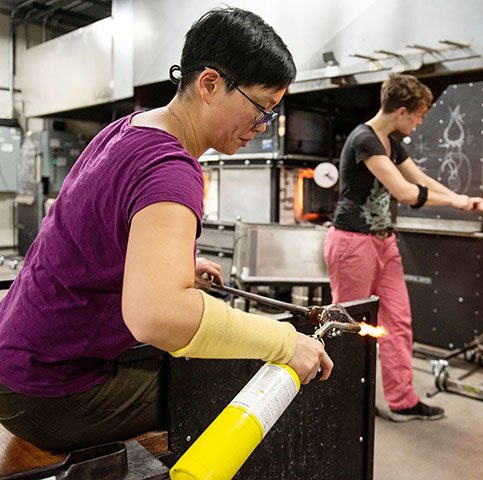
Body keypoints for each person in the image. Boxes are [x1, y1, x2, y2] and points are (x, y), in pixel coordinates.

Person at [0, 7, 333, 451]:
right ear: (210, 84)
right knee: (245, 377)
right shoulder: (170, 168)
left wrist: (172, 266)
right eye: (261, 108)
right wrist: (284, 341)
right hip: (53, 393)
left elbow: (94, 235)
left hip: (16, 363)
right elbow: (159, 315)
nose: (261, 126)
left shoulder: (127, 129)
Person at [324, 74, 483, 421]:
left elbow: (420, 179)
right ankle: (343, 399)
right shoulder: (364, 139)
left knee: (398, 321)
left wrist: (462, 198)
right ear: (401, 111)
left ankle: (402, 399)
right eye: (419, 115)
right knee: (350, 325)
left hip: (384, 242)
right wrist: (455, 205)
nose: (419, 122)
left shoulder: (391, 142)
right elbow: (405, 192)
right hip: (353, 243)